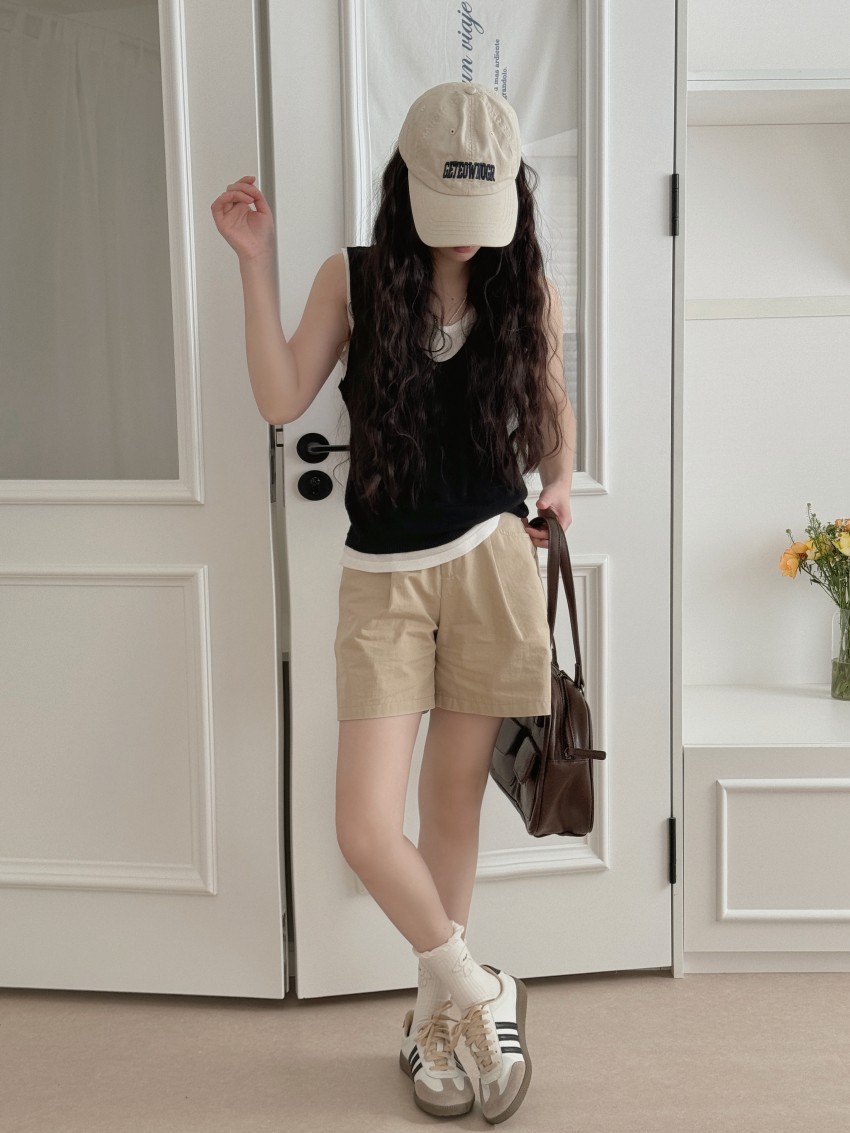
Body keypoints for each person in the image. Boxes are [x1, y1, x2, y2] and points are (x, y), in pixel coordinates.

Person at [211, 80, 576, 1125]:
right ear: (405, 188)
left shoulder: (521, 283)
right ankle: (480, 987)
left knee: (449, 807)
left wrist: (557, 484)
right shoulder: (356, 278)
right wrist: (255, 265)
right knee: (365, 825)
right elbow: (282, 396)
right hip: (381, 580)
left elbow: (554, 414)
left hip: (492, 566)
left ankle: (436, 1026)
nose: (465, 236)